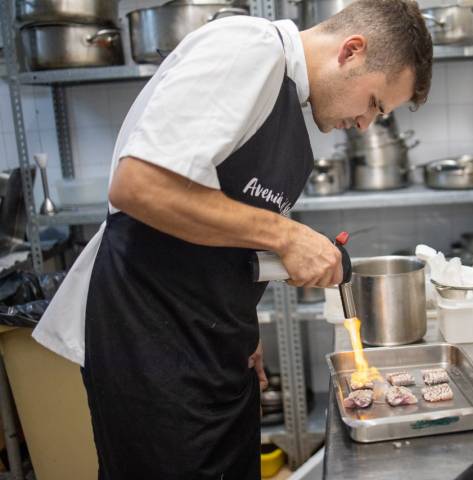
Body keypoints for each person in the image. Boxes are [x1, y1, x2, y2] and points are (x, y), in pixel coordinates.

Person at [32, 0, 433, 478]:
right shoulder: (248, 49)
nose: (366, 123)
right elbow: (139, 186)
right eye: (374, 104)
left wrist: (239, 318)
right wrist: (286, 234)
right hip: (151, 342)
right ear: (351, 51)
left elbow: (218, 223)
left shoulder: (285, 105)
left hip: (214, 343)